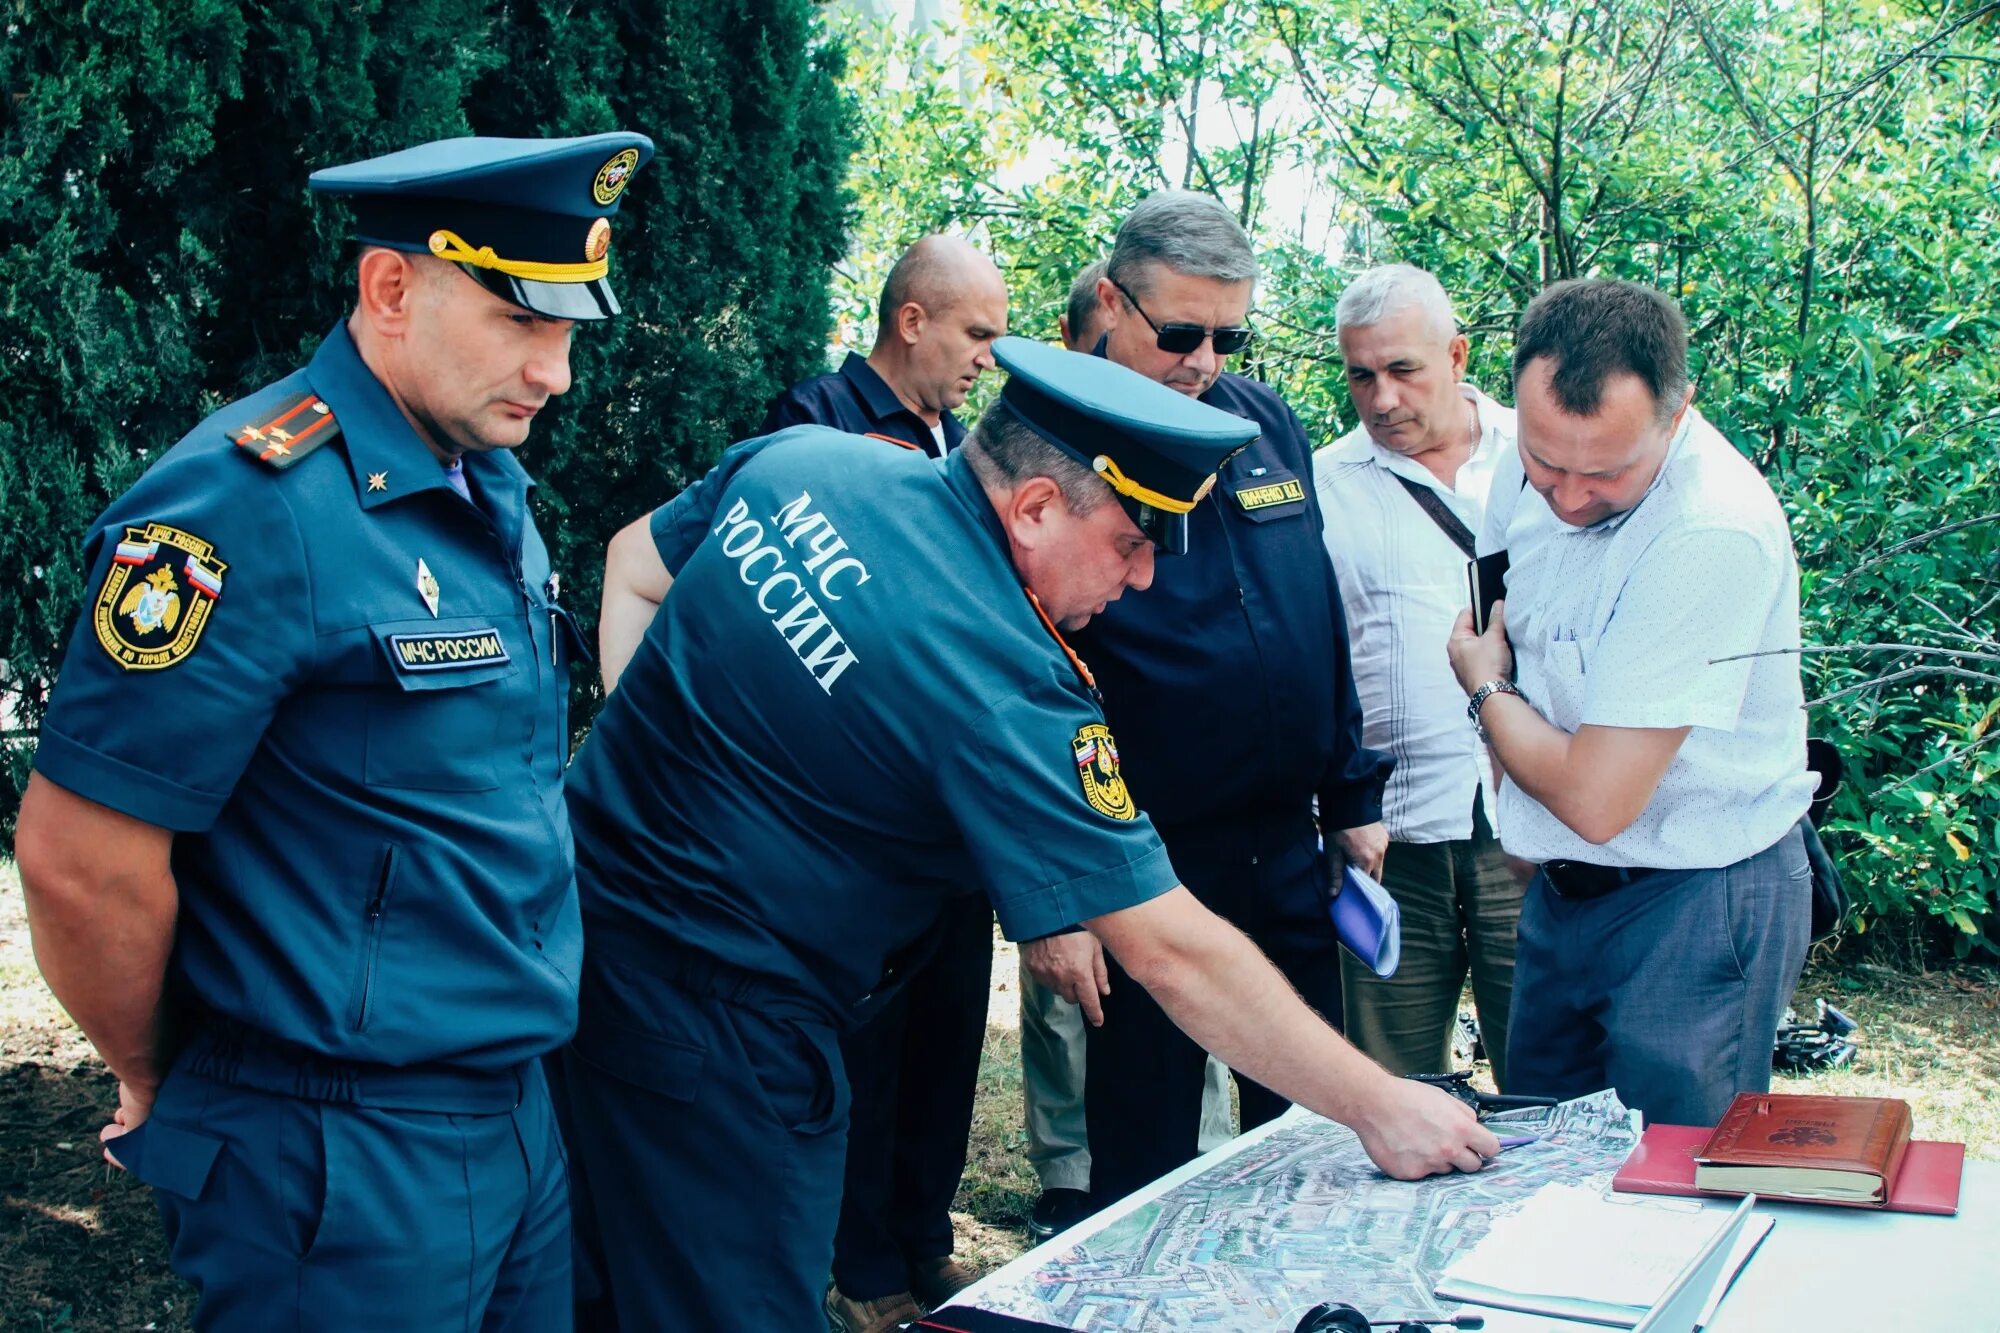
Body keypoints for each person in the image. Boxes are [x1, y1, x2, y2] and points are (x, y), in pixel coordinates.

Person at [561, 336, 1497, 1329]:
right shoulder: (1001, 676)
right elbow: (1172, 950)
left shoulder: (810, 462)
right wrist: (1376, 1104)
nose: (1140, 581)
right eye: (1132, 543)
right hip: (720, 1042)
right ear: (1035, 508)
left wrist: (670, 765)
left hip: (570, 944)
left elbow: (634, 562)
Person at [15, 131, 654, 1330]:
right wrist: (156, 1069)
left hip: (511, 1113)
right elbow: (81, 857)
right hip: (337, 1151)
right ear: (390, 288)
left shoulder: (482, 482)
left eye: (569, 329)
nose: (555, 371)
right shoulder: (239, 506)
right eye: (522, 320)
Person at [1030, 190, 1393, 1209]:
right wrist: (1050, 887)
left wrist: (1351, 791)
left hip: (1283, 845)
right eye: (1179, 332)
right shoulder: (1047, 440)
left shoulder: (1260, 418)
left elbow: (1314, 611)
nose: (1203, 360)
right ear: (1110, 300)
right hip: (1148, 856)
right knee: (1142, 1148)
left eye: (1227, 335)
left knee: (1306, 1137)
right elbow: (1023, 673)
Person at [1448, 278, 1816, 1125]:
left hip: (1695, 895)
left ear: (1678, 412)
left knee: (1670, 1192)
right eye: (1548, 467)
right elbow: (1507, 628)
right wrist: (1518, 824)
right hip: (1561, 891)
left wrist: (1483, 689)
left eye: (1608, 473)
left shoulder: (1710, 528)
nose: (1570, 497)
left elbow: (1596, 796)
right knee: (1541, 1167)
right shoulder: (1524, 465)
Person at [761, 238, 1009, 1332]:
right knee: (872, 1048)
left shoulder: (968, 442)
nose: (983, 362)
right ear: (911, 320)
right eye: (974, 336)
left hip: (953, 807)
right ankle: (861, 1266)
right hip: (858, 819)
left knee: (951, 1034)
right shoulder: (808, 421)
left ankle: (922, 1239)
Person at [1017, 256, 1233, 1240]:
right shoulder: (996, 645)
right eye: (1124, 545)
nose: (1143, 579)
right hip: (1084, 820)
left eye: (1226, 340)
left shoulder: (1245, 431)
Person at [1311, 264, 1523, 1086]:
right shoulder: (1324, 484)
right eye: (1361, 375)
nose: (1383, 398)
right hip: (1385, 835)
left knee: (1545, 1074)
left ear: (1458, 355)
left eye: (1403, 370)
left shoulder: (1536, 456)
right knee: (1388, 1086)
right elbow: (1311, 661)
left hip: (1527, 822)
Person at [760, 235, 1008, 458]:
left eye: (994, 342)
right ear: (912, 323)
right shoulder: (815, 415)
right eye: (977, 334)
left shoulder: (966, 450)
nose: (989, 361)